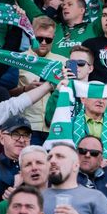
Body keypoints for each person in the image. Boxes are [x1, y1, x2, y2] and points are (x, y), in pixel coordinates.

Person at [17, 16, 66, 145]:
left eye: (48, 39)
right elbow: (5, 93)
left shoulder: (63, 62)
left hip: (56, 126)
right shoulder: (18, 59)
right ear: (31, 36)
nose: (43, 42)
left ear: (53, 38)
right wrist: (25, 89)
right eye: (39, 38)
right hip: (27, 126)